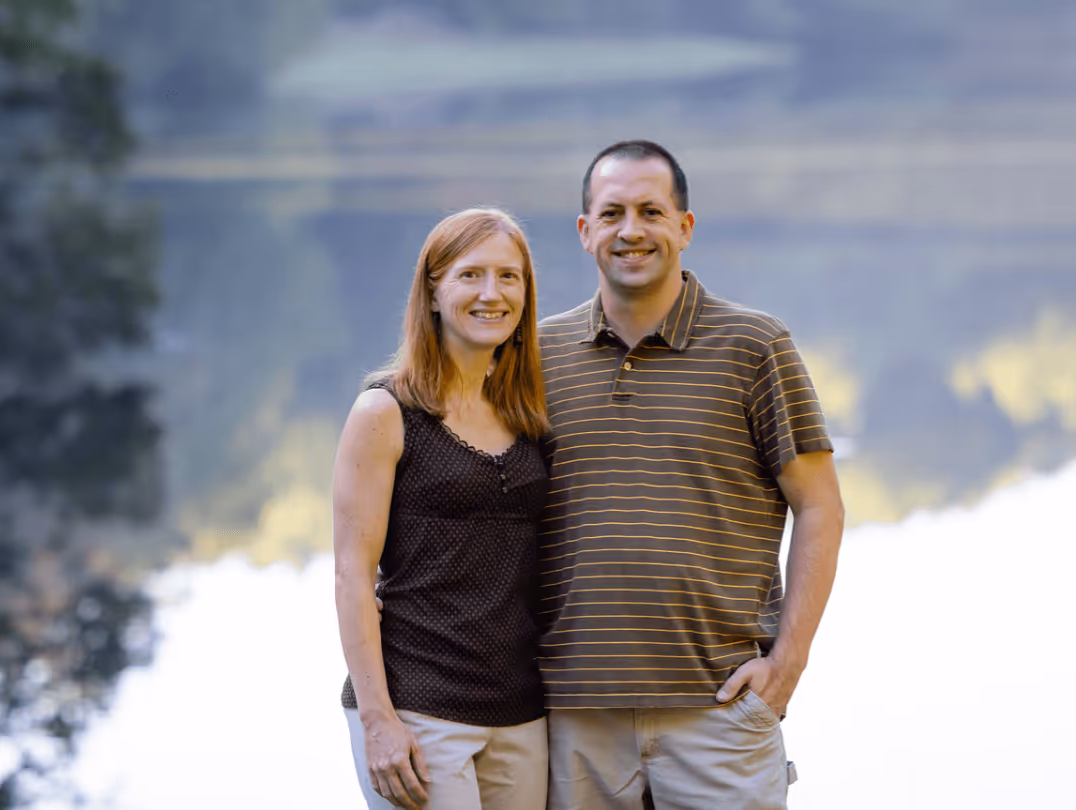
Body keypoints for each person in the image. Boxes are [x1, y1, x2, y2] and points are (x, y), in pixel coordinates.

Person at [537, 140, 845, 810]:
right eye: (612, 213)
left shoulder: (754, 345)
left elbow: (820, 505)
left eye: (651, 211)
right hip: (572, 713)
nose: (632, 230)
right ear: (585, 231)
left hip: (721, 708)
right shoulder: (535, 355)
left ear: (685, 226)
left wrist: (788, 664)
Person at [334, 208, 553, 810]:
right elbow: (352, 575)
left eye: (508, 277)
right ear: (432, 292)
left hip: (519, 711)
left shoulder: (528, 414)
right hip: (417, 705)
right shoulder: (384, 412)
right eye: (470, 275)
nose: (491, 293)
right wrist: (378, 721)